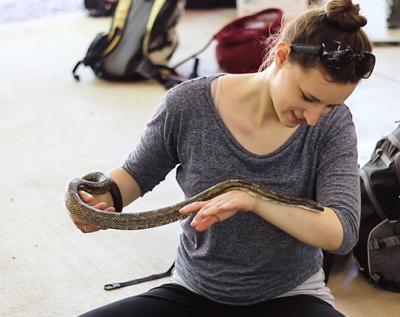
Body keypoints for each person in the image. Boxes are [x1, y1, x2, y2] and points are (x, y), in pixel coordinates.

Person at [67, 0, 375, 316]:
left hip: (290, 295)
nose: (313, 117)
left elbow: (342, 231)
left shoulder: (333, 125)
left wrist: (254, 200)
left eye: (328, 106)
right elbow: (134, 176)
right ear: (282, 56)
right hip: (194, 292)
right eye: (308, 98)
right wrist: (98, 205)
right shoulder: (187, 105)